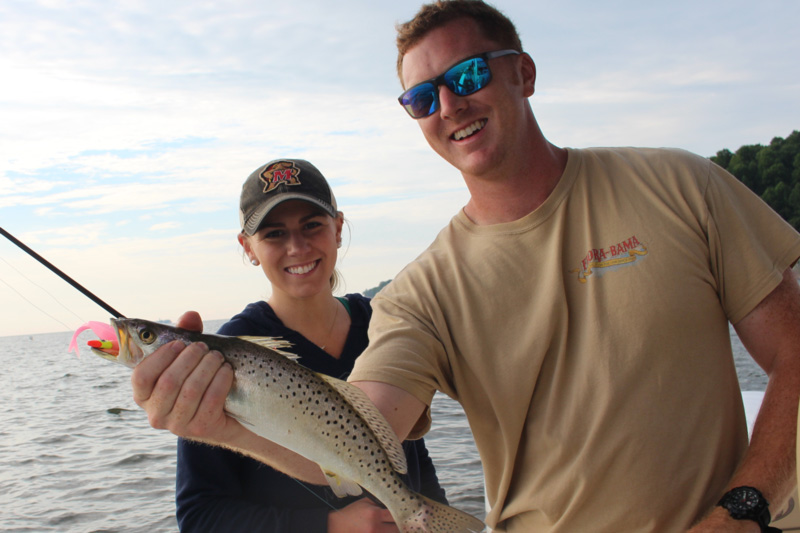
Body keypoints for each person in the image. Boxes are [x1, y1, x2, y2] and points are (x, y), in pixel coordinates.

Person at [131, 2, 800, 532]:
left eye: (469, 75)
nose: (449, 105)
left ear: (524, 73)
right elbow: (359, 432)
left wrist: (743, 506)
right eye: (422, 98)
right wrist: (219, 425)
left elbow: (794, 354)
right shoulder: (418, 295)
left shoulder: (682, 186)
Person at [172, 158, 447, 532]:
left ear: (338, 228)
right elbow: (200, 516)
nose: (297, 246)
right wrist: (328, 525)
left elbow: (413, 458)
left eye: (312, 225)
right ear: (247, 247)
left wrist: (432, 516)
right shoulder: (224, 358)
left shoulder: (382, 322)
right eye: (273, 234)